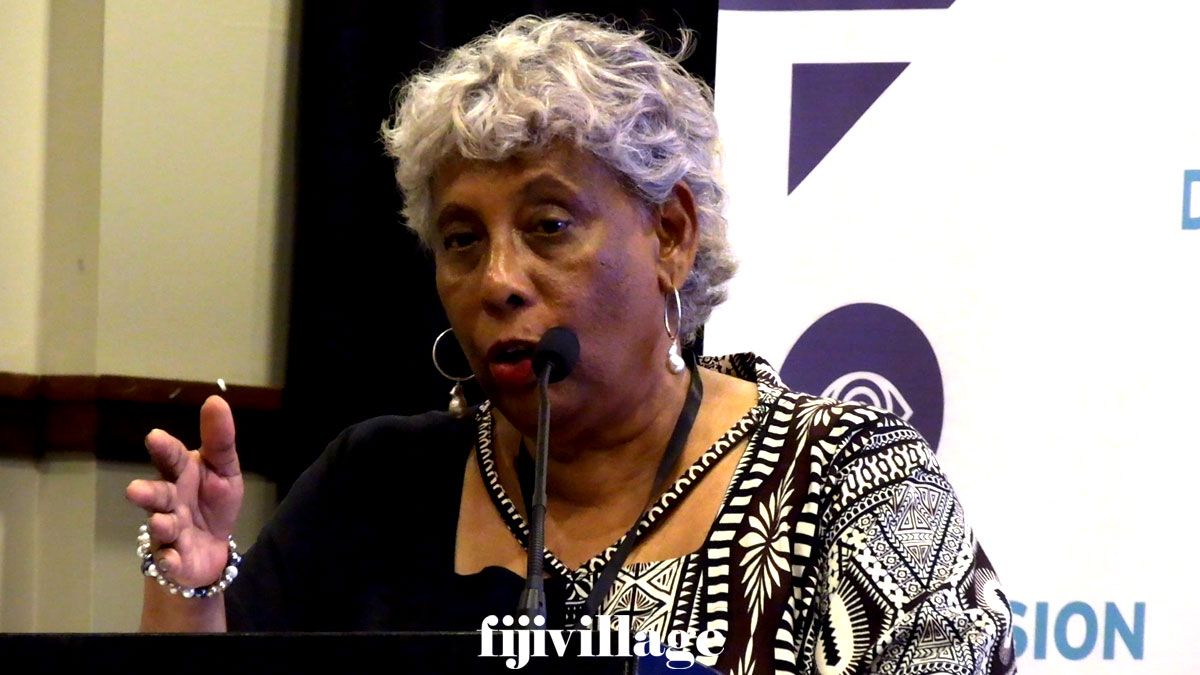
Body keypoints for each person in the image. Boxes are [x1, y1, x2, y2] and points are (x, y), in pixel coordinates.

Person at [125, 15, 1015, 674]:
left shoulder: (851, 485)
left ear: (671, 235)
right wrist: (189, 587)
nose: (498, 279)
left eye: (549, 225)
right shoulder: (374, 485)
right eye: (462, 240)